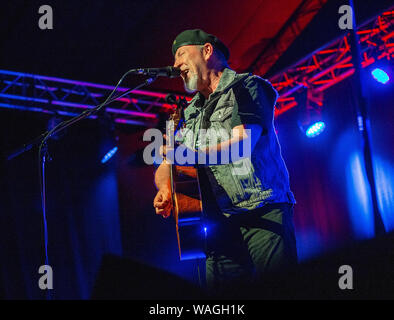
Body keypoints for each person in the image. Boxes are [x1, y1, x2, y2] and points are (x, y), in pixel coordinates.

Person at [153, 29, 297, 298]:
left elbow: (243, 145)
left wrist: (190, 155)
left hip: (262, 212)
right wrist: (164, 189)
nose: (175, 65)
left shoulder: (248, 87)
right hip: (219, 226)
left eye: (181, 54)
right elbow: (167, 164)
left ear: (207, 51)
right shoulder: (188, 112)